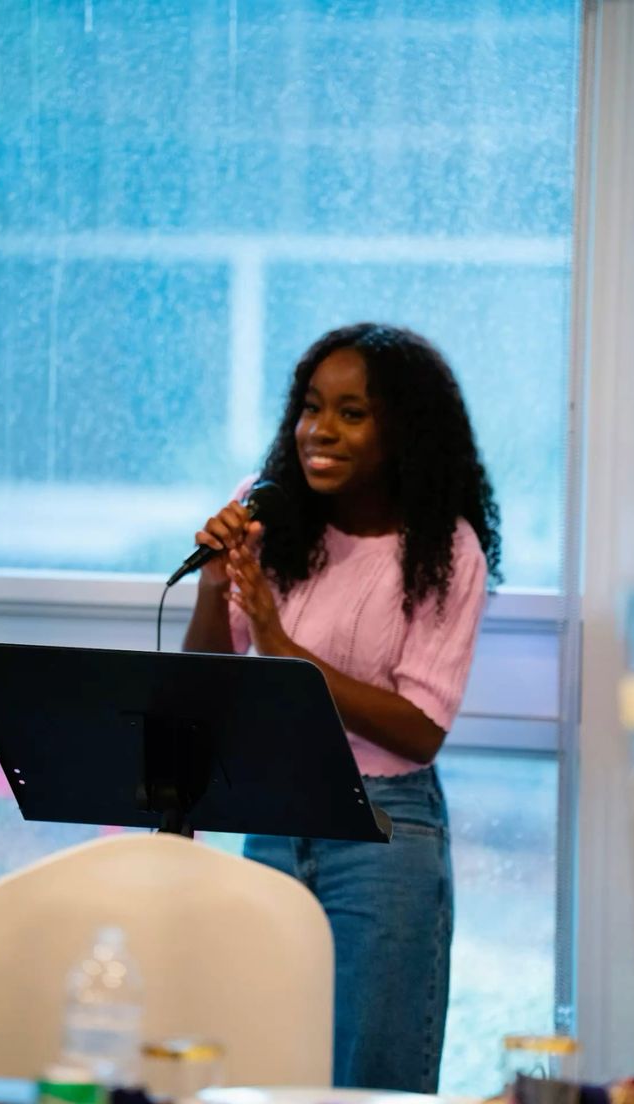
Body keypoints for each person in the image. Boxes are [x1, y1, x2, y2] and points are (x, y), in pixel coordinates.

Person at [183, 322, 502, 1092]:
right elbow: (205, 678)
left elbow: (419, 730)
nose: (318, 431)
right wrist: (214, 582)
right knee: (268, 1072)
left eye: (351, 413)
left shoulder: (447, 549)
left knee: (373, 1082)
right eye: (310, 407)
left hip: (385, 834)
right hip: (278, 821)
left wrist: (286, 652)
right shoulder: (267, 517)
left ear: (402, 431)